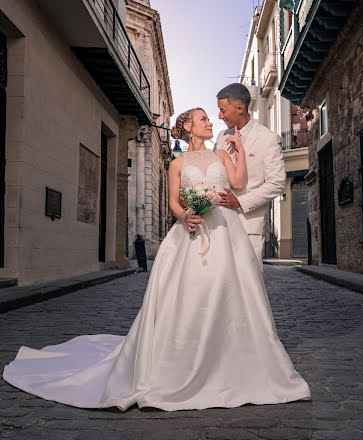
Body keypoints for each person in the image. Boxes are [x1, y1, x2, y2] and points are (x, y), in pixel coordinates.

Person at [3, 108, 310, 411]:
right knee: (190, 292)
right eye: (203, 119)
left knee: (228, 288)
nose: (209, 122)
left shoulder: (220, 154)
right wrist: (187, 216)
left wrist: (240, 151)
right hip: (191, 232)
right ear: (188, 126)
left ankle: (230, 356)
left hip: (225, 232)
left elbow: (239, 184)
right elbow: (175, 202)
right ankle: (182, 359)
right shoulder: (177, 163)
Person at [215, 83, 285, 269]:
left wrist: (240, 202)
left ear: (240, 108)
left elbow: (277, 183)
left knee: (249, 285)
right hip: (219, 226)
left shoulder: (268, 139)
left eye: (223, 110)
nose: (220, 116)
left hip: (249, 227)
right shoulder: (221, 137)